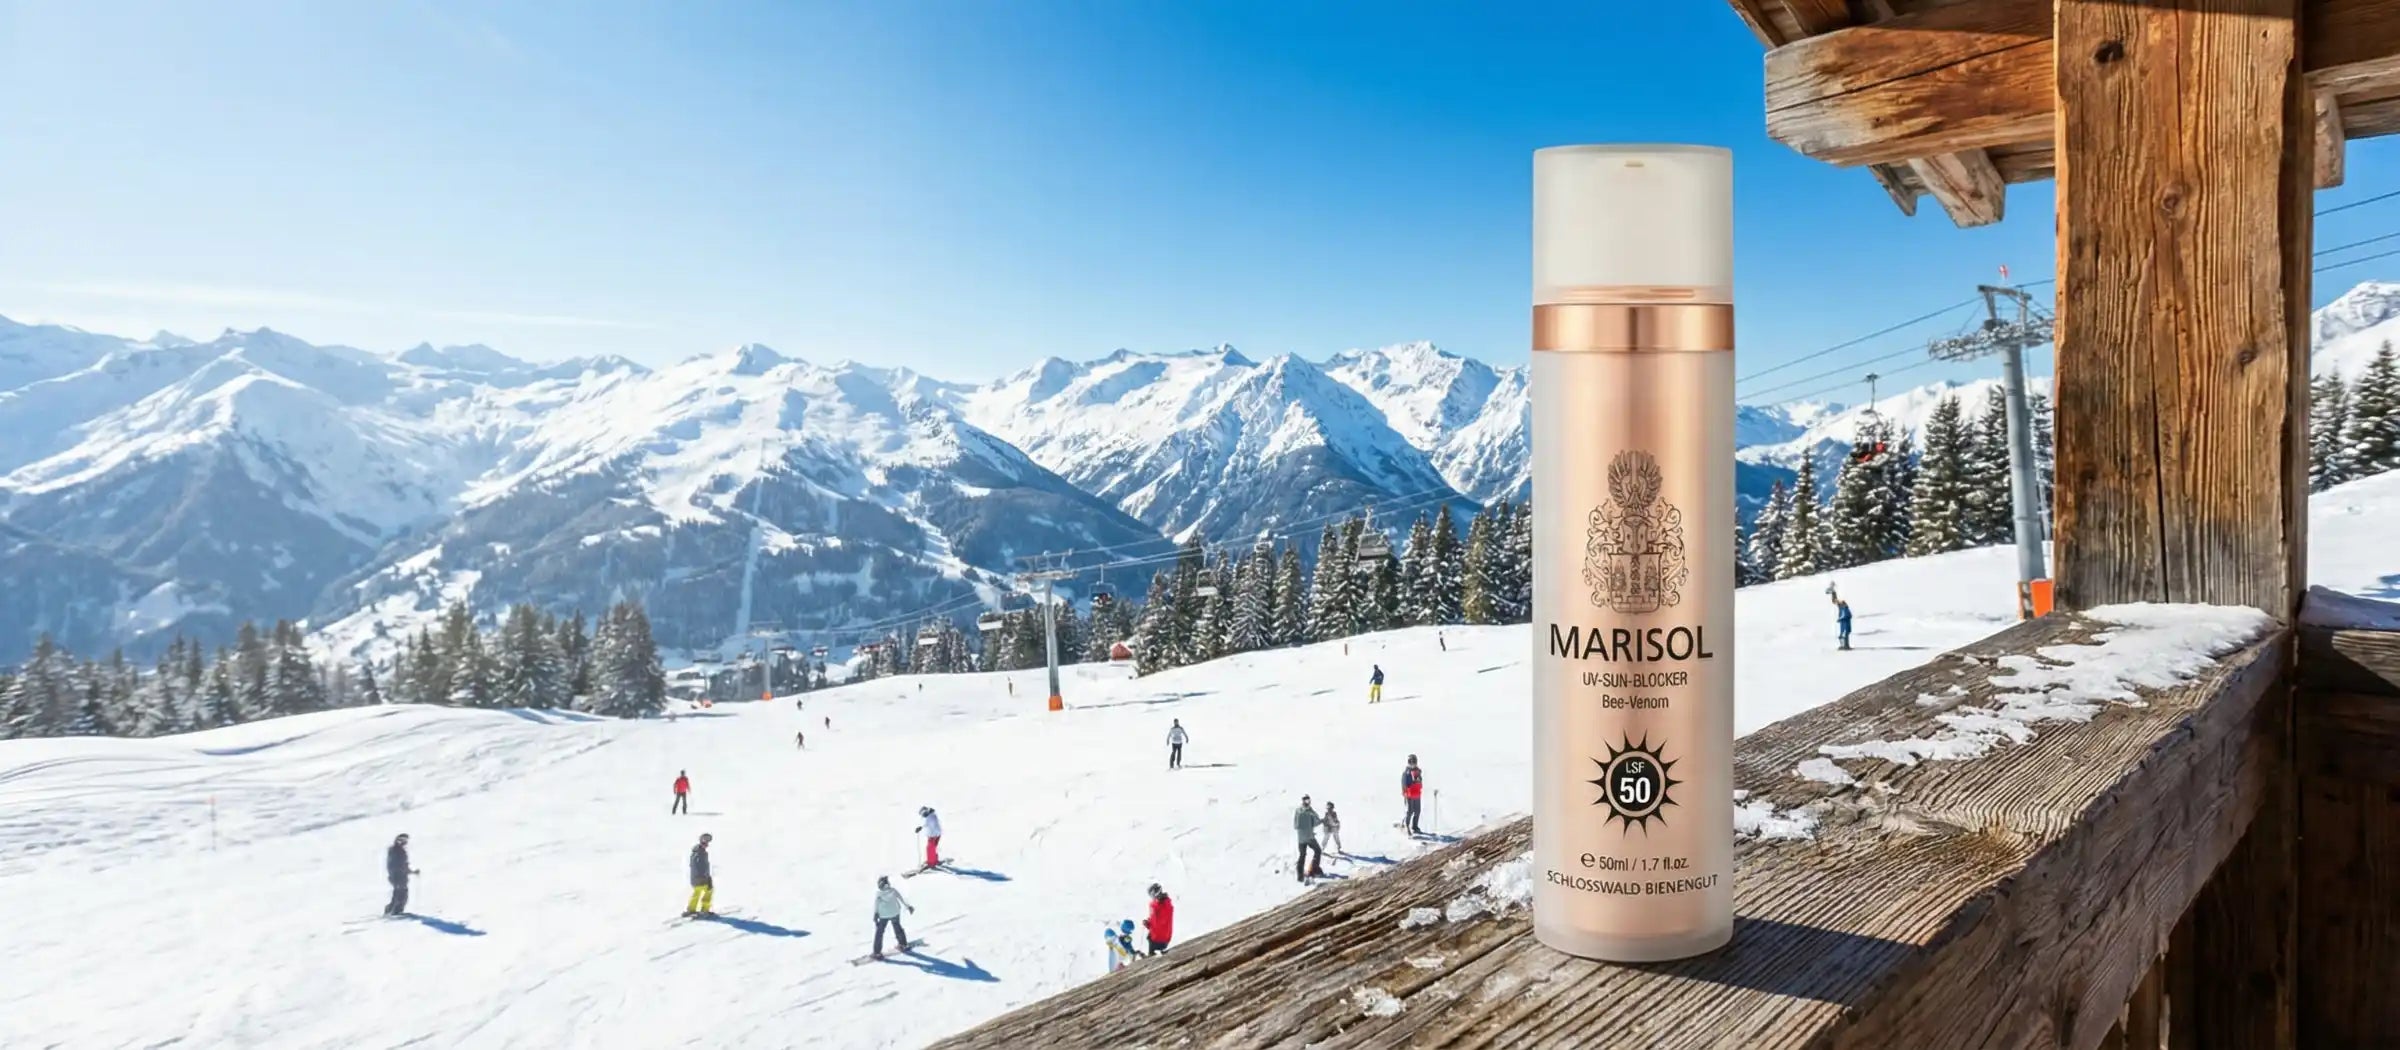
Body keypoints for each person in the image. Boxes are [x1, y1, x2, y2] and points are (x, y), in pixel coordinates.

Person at [872, 876, 914, 959]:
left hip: (884, 915)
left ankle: (877, 953)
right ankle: (903, 944)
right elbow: (901, 898)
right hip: (895, 913)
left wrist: (875, 914)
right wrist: (908, 906)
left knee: (879, 932)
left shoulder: (879, 894)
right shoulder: (893, 890)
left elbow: (876, 905)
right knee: (897, 927)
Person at [384, 833, 418, 917]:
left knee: (399, 893)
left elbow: (403, 865)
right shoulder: (396, 851)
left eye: (406, 840)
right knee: (401, 894)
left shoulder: (399, 851)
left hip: (400, 876)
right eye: (403, 840)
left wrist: (412, 872)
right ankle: (396, 911)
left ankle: (391, 910)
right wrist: (395, 875)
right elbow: (395, 865)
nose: (405, 842)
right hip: (397, 876)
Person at [1294, 795, 1324, 883]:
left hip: (1301, 838)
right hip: (1309, 837)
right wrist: (1321, 820)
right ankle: (1314, 869)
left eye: (1308, 800)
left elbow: (1296, 825)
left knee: (1302, 855)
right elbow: (1316, 822)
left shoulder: (1298, 810)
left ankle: (1300, 875)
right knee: (1317, 850)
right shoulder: (1309, 811)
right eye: (1307, 800)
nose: (1308, 802)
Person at [685, 833, 715, 917]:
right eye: (705, 843)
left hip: (697, 878)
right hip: (701, 878)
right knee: (708, 891)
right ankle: (704, 910)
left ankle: (692, 909)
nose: (706, 845)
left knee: (698, 893)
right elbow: (700, 866)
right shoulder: (700, 853)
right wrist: (705, 877)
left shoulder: (698, 852)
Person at [1143, 883, 1175, 954]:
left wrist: (1149, 925)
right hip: (1153, 937)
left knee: (1154, 957)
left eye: (1152, 894)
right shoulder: (1154, 904)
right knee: (1151, 955)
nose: (1152, 897)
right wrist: (1148, 923)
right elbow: (1153, 919)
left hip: (1160, 939)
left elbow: (1160, 923)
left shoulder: (1166, 906)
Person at [1401, 756, 1425, 836]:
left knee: (1417, 811)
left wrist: (1418, 781)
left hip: (1417, 793)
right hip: (1409, 794)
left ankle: (1415, 826)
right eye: (1411, 763)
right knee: (1410, 811)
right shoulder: (1406, 773)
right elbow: (1404, 783)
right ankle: (1406, 825)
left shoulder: (1418, 772)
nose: (1413, 764)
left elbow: (1420, 782)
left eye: (1414, 762)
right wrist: (1405, 793)